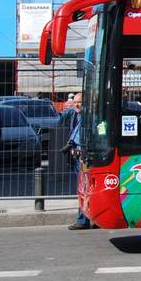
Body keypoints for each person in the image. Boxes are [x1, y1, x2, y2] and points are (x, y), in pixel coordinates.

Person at [61, 93, 92, 230]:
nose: (77, 105)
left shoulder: (89, 117)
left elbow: (83, 136)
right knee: (85, 188)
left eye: (79, 102)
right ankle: (91, 218)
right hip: (78, 155)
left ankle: (83, 219)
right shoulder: (75, 115)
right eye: (75, 103)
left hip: (84, 156)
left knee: (83, 188)